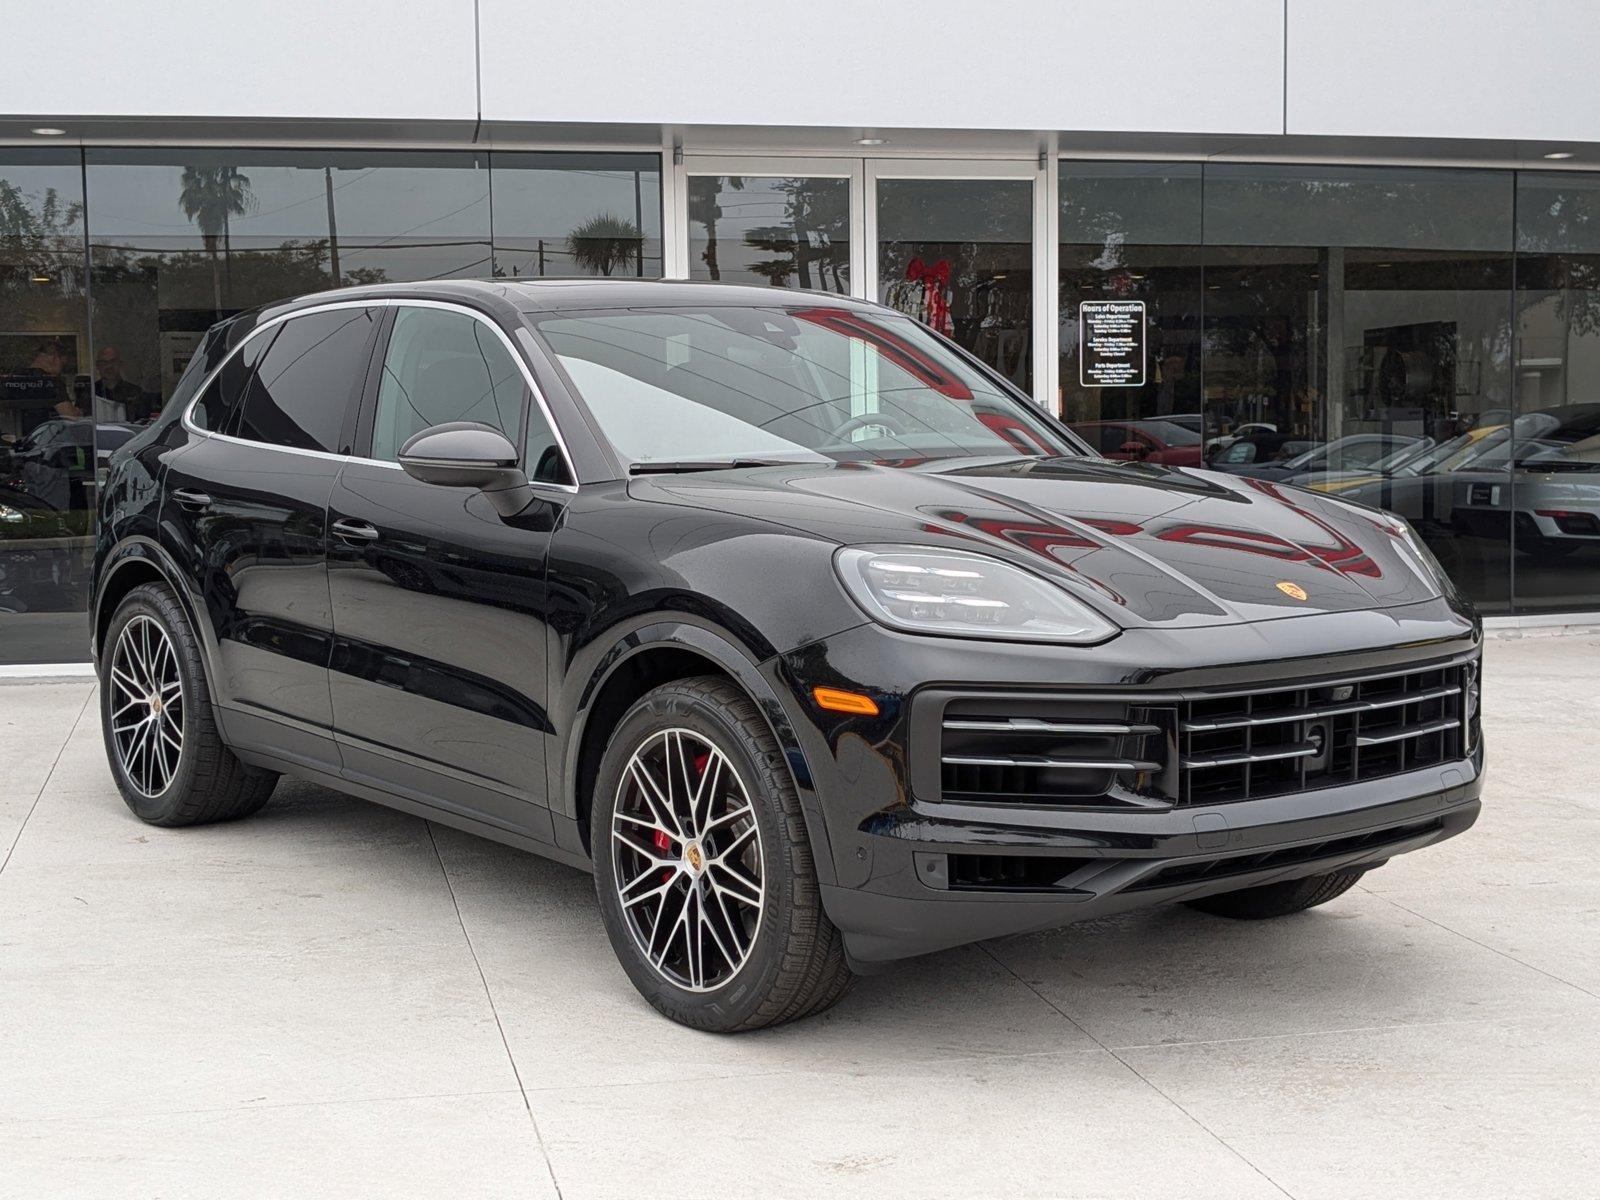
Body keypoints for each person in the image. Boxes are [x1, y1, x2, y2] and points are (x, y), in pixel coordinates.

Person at [93, 346, 144, 422]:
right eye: (104, 362)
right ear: (97, 366)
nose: (109, 366)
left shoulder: (135, 393)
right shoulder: (90, 392)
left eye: (113, 361)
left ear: (120, 364)